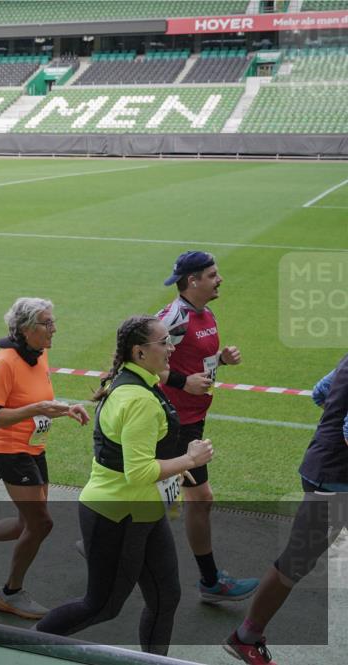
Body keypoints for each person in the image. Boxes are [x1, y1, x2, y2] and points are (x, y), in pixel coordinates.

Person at [36, 315, 214, 655]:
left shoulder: (138, 380)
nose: (171, 347)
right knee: (102, 606)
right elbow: (139, 471)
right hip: (117, 515)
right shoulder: (139, 399)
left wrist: (175, 469)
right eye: (163, 342)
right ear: (140, 352)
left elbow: (140, 460)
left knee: (166, 596)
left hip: (142, 511)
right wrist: (189, 460)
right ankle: (23, 646)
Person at [0, 298, 89, 619]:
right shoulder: (5, 362)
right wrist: (35, 410)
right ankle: (10, 593)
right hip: (8, 449)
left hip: (34, 447)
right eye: (47, 323)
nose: (54, 328)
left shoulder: (39, 354)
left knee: (27, 523)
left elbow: (37, 402)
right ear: (25, 329)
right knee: (41, 523)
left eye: (53, 321)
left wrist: (66, 409)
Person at [223, 354, 348, 664]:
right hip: (335, 479)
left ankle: (246, 637)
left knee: (298, 560)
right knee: (297, 561)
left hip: (324, 468)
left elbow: (321, 392)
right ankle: (245, 638)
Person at [157, 251, 258, 602]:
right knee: (192, 498)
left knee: (182, 498)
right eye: (213, 275)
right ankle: (210, 580)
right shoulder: (174, 318)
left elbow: (195, 361)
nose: (220, 280)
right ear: (192, 281)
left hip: (194, 419)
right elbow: (141, 360)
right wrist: (184, 383)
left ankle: (101, 541)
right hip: (172, 422)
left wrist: (220, 361)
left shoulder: (206, 313)